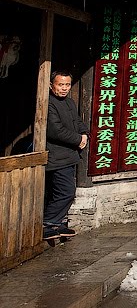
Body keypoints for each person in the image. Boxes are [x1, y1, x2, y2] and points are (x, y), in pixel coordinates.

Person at [44, 70, 89, 241]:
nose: (64, 88)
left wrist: (84, 133)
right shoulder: (49, 103)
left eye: (67, 85)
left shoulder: (69, 103)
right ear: (51, 85)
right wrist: (78, 139)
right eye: (60, 84)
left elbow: (77, 121)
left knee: (64, 191)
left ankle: (59, 223)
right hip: (57, 155)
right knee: (66, 191)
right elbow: (55, 130)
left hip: (70, 155)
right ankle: (48, 223)